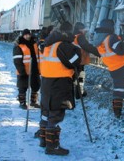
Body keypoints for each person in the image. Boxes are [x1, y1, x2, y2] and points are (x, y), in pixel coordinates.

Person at [38, 21, 81, 156]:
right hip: (59, 84)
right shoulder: (63, 46)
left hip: (46, 82)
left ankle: (43, 140)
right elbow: (74, 62)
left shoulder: (48, 45)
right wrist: (78, 51)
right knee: (56, 114)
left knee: (46, 111)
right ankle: (52, 146)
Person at [13, 29, 41, 109]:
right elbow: (17, 61)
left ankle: (34, 102)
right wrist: (22, 71)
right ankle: (22, 103)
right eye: (25, 35)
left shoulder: (34, 44)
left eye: (28, 34)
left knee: (36, 86)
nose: (27, 36)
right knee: (22, 88)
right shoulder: (19, 46)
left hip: (35, 69)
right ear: (23, 35)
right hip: (24, 71)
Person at [73, 22, 101, 98]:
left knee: (76, 76)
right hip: (80, 60)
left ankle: (76, 92)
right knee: (80, 76)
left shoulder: (73, 36)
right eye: (84, 28)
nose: (85, 30)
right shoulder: (80, 37)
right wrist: (98, 53)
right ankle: (79, 93)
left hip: (74, 60)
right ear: (80, 29)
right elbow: (86, 46)